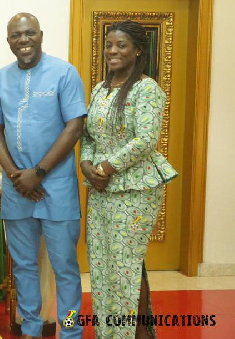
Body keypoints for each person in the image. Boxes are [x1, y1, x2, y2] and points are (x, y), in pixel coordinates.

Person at [0, 12, 86, 339]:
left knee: (66, 271)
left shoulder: (64, 73)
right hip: (17, 189)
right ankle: (30, 330)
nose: (23, 40)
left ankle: (70, 332)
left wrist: (39, 173)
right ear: (10, 40)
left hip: (56, 188)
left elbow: (75, 126)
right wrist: (15, 174)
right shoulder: (0, 79)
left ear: (40, 35)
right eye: (16, 35)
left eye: (29, 33)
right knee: (24, 267)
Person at [80, 20, 177, 339]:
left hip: (135, 187)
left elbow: (146, 139)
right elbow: (89, 135)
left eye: (121, 45)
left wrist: (106, 168)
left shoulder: (146, 88)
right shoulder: (99, 88)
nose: (112, 51)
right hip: (99, 188)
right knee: (102, 264)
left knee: (124, 267)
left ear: (137, 50)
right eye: (109, 44)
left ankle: (128, 335)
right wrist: (87, 164)